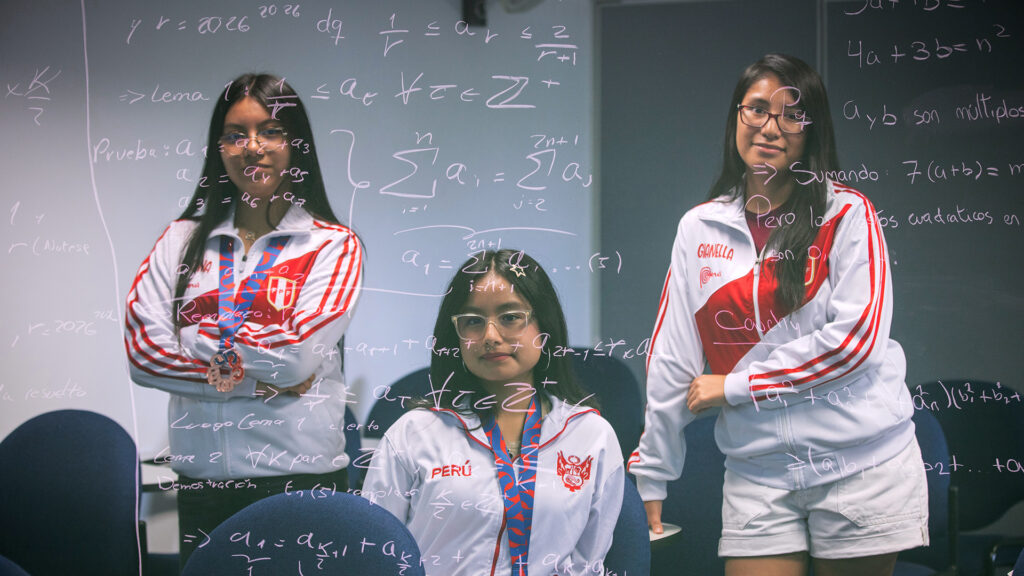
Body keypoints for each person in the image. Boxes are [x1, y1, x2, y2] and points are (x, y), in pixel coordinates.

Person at [628, 54, 927, 576]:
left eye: (791, 115)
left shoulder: (847, 214)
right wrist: (654, 471)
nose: (770, 127)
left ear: (812, 132)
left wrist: (737, 386)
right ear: (736, 119)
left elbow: (855, 342)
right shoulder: (699, 229)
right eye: (757, 109)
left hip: (860, 464)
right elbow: (673, 356)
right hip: (758, 470)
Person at [124, 73, 363, 566]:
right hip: (203, 485)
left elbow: (296, 359)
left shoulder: (333, 245)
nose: (252, 147)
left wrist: (199, 335)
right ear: (219, 149)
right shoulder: (179, 241)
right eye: (235, 134)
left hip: (300, 483)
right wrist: (254, 384)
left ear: (295, 144)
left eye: (271, 130)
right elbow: (144, 356)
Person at [362, 249, 624, 576]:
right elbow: (374, 555)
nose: (490, 337)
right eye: (472, 322)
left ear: (545, 327)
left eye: (511, 317)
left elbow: (590, 562)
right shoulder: (414, 434)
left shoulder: (590, 436)